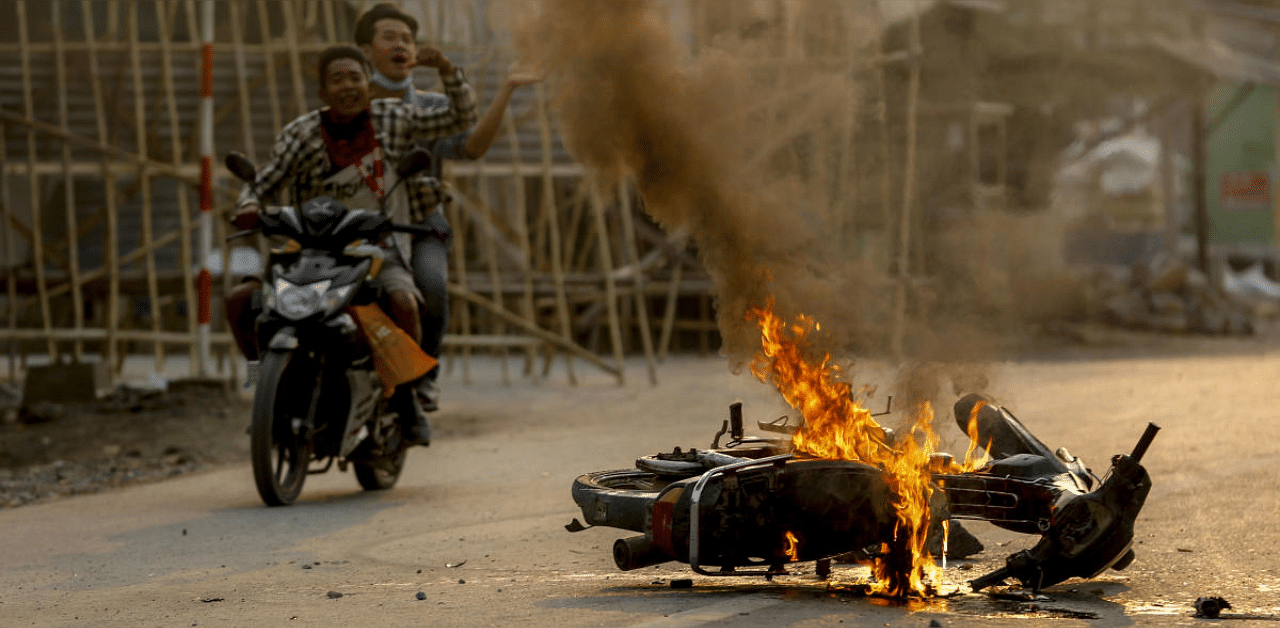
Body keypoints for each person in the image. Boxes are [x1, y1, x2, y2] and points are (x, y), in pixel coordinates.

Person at [224, 44, 477, 446]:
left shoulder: (394, 119)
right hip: (305, 252)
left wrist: (448, 69)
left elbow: (460, 118)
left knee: (405, 303)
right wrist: (249, 205)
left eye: (355, 77)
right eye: (337, 79)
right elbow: (265, 181)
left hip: (374, 249)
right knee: (241, 302)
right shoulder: (301, 133)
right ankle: (263, 383)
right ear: (323, 92)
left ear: (369, 85)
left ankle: (406, 396)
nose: (347, 86)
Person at [353, 3, 543, 413]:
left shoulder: (430, 108)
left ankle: (425, 380)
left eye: (407, 38)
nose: (401, 45)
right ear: (367, 49)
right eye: (390, 37)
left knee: (431, 288)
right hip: (354, 225)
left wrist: (507, 87)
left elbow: (471, 145)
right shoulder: (348, 106)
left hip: (418, 223)